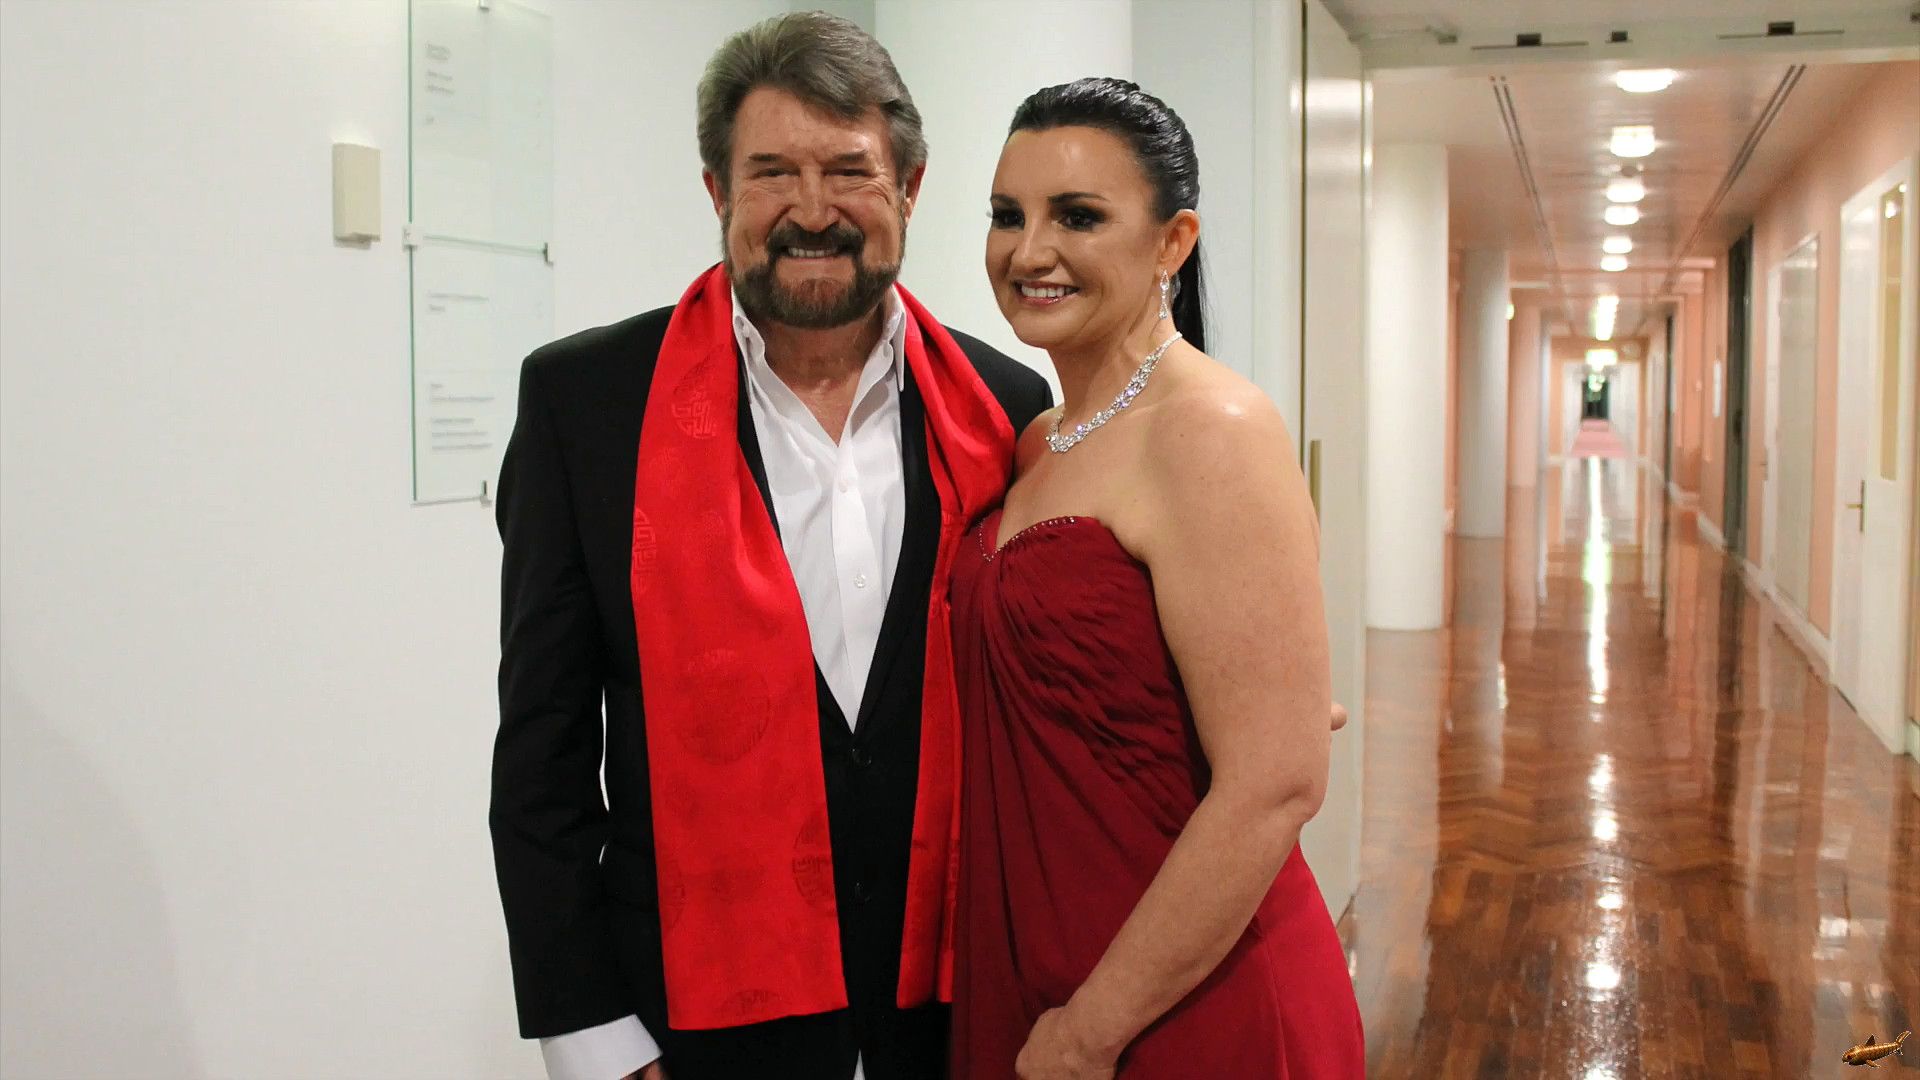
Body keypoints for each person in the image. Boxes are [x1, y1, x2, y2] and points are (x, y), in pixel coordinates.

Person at [490, 13, 1050, 1080]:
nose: (812, 210)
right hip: (689, 1030)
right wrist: (595, 1038)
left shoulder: (1005, 406)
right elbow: (541, 752)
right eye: (772, 173)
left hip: (956, 1017)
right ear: (718, 192)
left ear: (909, 189)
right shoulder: (586, 406)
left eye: (849, 170)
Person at [948, 78, 1366, 1079]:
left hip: (1186, 994)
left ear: (1174, 242)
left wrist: (1092, 1031)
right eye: (1008, 215)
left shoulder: (1210, 429)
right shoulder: (1039, 439)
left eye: (1078, 216)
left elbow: (1276, 784)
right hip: (1042, 958)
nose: (1029, 251)